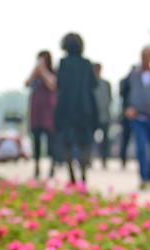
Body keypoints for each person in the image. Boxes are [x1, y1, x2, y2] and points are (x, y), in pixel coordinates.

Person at [54, 32, 97, 185]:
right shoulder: (86, 64)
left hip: (66, 107)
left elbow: (59, 85)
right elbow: (93, 85)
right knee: (84, 142)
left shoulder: (63, 63)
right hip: (84, 107)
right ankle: (83, 172)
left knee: (67, 142)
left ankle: (72, 173)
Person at [125, 48, 150, 189]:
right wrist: (127, 107)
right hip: (139, 117)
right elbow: (124, 91)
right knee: (141, 148)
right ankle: (143, 178)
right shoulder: (133, 75)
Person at [25, 50, 56, 179]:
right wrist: (35, 71)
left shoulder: (52, 73)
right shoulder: (35, 75)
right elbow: (26, 84)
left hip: (48, 113)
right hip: (36, 113)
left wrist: (43, 71)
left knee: (51, 143)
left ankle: (52, 166)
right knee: (36, 141)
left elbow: (52, 85)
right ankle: (36, 166)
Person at [93, 63, 113, 169]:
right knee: (90, 140)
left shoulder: (106, 84)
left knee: (105, 140)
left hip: (104, 116)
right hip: (92, 117)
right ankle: (89, 160)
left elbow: (109, 98)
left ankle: (104, 159)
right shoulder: (90, 84)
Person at [118, 72, 133, 168]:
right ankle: (123, 158)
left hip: (139, 114)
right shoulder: (125, 82)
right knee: (125, 139)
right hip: (126, 116)